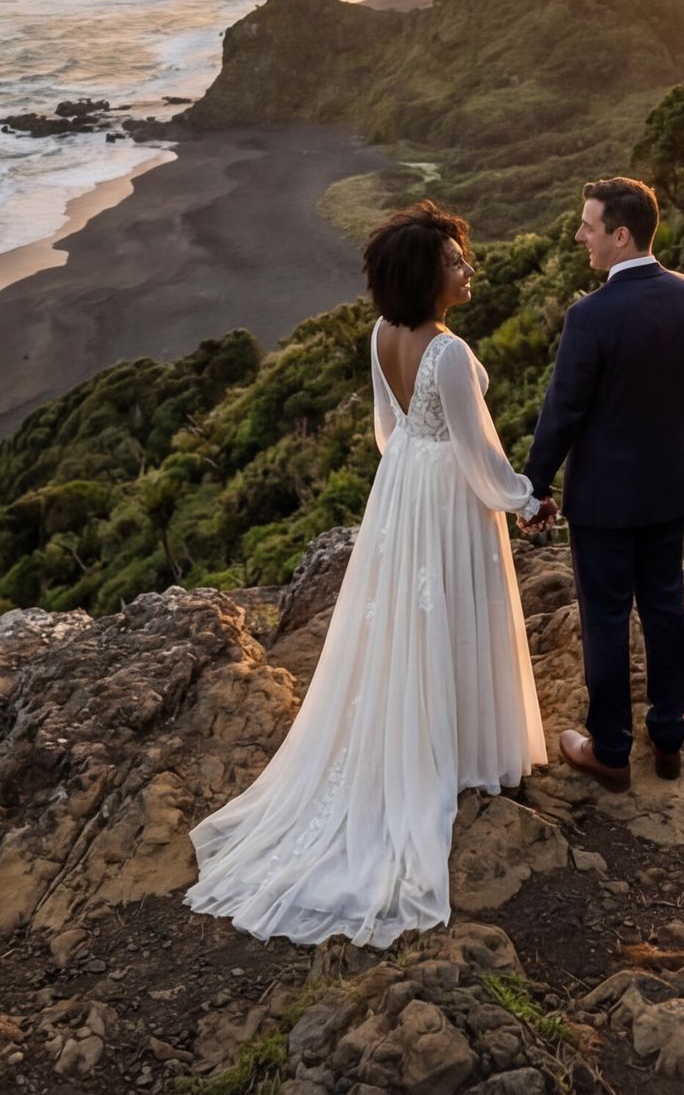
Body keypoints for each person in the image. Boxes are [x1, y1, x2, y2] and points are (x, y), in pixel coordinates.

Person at [181, 201, 546, 947]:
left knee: (413, 621)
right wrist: (525, 499)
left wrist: (413, 476)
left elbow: (390, 429)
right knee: (456, 611)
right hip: (445, 490)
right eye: (453, 261)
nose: (467, 268)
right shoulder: (446, 350)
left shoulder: (383, 335)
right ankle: (467, 750)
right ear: (425, 275)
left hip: (405, 484)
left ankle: (438, 741)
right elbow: (479, 453)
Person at [522, 175, 684, 788]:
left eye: (589, 225)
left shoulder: (590, 315)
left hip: (604, 499)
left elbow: (563, 412)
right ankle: (668, 739)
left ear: (621, 234)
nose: (581, 235)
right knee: (663, 608)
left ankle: (609, 751)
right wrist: (681, 463)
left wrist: (534, 487)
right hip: (667, 488)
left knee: (605, 618)